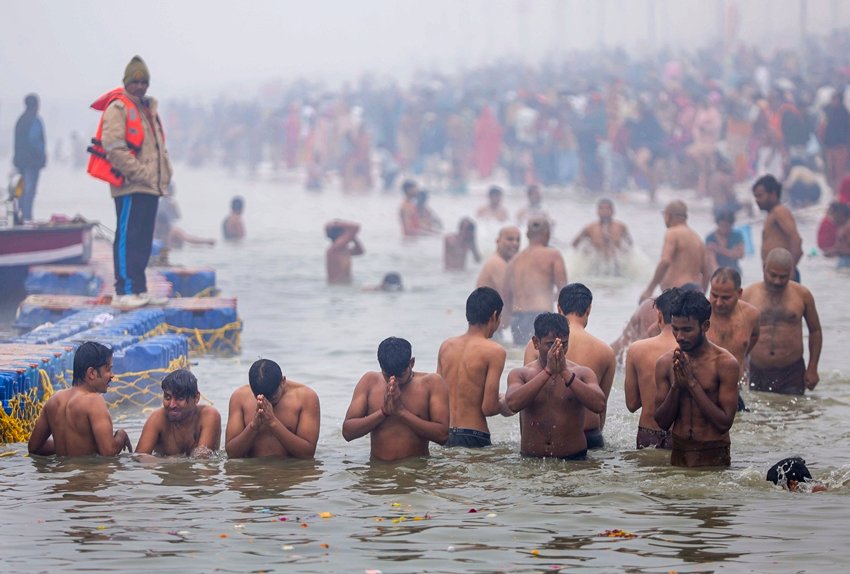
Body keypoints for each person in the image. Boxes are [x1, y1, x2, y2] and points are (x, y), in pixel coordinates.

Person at [89, 56, 172, 309]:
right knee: (127, 236)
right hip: (129, 185)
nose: (139, 86)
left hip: (151, 187)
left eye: (143, 81)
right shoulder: (119, 108)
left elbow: (159, 149)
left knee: (144, 239)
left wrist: (164, 175)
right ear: (126, 82)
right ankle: (124, 290)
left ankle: (139, 289)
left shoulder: (149, 109)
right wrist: (138, 172)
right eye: (135, 81)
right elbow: (114, 148)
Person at [523, 284, 615, 449]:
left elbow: (527, 398)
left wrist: (525, 438)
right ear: (589, 309)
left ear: (559, 308)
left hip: (544, 438)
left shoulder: (535, 345)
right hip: (590, 434)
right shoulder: (605, 351)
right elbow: (601, 405)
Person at [654, 291, 739, 468]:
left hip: (713, 455)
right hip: (679, 454)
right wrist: (677, 386)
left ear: (705, 326)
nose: (679, 337)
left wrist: (692, 383)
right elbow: (662, 423)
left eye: (687, 330)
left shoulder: (725, 363)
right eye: (675, 329)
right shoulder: (665, 363)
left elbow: (724, 423)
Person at [505, 313, 605, 460]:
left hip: (574, 460)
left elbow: (599, 404)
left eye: (563, 344)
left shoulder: (582, 373)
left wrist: (565, 372)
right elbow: (513, 403)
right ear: (536, 343)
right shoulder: (521, 374)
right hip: (531, 460)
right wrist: (548, 372)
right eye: (550, 344)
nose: (558, 350)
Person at [342, 337, 449, 461]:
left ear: (412, 362)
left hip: (416, 473)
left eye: (400, 376)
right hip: (378, 471)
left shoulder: (431, 383)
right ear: (380, 366)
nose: (394, 381)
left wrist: (402, 412)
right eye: (388, 376)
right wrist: (383, 412)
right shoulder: (369, 382)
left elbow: (443, 435)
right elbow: (348, 432)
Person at [437, 287, 512, 448]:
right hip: (474, 435)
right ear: (494, 316)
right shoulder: (495, 351)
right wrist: (506, 403)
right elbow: (488, 407)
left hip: (444, 434)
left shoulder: (446, 346)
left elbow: (438, 396)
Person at [28, 342, 132, 456]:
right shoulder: (94, 401)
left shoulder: (54, 400)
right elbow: (109, 452)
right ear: (91, 373)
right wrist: (121, 435)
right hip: (87, 473)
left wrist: (66, 446)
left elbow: (34, 448)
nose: (112, 375)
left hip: (59, 472)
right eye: (108, 369)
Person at [742, 248, 822, 395]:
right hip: (757, 370)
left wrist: (813, 367)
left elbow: (815, 331)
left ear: (791, 272)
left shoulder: (803, 295)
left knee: (794, 416)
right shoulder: (747, 295)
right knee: (758, 416)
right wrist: (740, 365)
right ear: (764, 267)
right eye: (772, 275)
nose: (777, 281)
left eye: (783, 276)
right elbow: (734, 331)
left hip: (791, 371)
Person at [225, 358, 320, 459]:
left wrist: (273, 423)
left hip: (291, 471)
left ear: (283, 382)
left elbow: (307, 454)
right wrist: (253, 426)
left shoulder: (305, 397)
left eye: (273, 398)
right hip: (251, 472)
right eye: (258, 397)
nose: (267, 402)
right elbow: (232, 454)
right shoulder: (239, 397)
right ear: (252, 389)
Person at [623, 288, 680, 449]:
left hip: (648, 434)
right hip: (680, 435)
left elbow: (632, 404)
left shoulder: (637, 349)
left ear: (659, 316)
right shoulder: (691, 349)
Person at [503, 217, 568, 345]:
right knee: (542, 361)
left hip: (517, 318)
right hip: (541, 316)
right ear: (547, 234)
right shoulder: (553, 255)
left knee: (523, 358)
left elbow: (505, 295)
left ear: (527, 235)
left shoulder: (514, 260)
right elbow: (563, 290)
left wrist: (506, 320)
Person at [135, 369, 221, 457]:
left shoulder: (208, 416)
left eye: (180, 398)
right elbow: (139, 458)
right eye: (167, 398)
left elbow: (203, 461)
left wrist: (171, 462)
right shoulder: (157, 418)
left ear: (196, 398)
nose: (172, 405)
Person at [640, 200, 710, 302]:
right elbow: (706, 273)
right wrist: (702, 296)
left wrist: (649, 289)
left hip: (678, 291)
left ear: (669, 215)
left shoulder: (672, 232)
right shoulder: (697, 238)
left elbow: (665, 261)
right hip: (696, 291)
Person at [706, 267, 761, 382]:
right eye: (714, 295)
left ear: (739, 293)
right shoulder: (700, 313)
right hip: (704, 388)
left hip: (735, 388)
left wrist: (743, 354)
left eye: (726, 298)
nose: (719, 303)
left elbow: (755, 335)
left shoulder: (751, 315)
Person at [752, 174, 803, 281]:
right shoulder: (772, 214)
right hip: (775, 277)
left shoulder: (779, 211)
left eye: (760, 196)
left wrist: (790, 269)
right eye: (755, 196)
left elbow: (796, 239)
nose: (757, 200)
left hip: (783, 277)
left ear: (773, 194)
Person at [571, 198, 633, 273]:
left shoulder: (621, 227)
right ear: (597, 211)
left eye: (608, 209)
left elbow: (630, 244)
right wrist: (585, 253)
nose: (605, 211)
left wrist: (624, 255)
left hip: (616, 265)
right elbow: (575, 244)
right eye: (601, 209)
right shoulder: (590, 228)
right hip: (596, 266)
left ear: (613, 211)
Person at [13, 93, 46, 222]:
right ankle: (27, 217)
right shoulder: (35, 120)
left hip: (20, 162)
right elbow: (34, 140)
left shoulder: (20, 120)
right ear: (36, 105)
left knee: (21, 190)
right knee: (29, 191)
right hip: (32, 163)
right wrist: (42, 155)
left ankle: (21, 216)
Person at [705, 209, 745, 275]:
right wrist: (719, 274)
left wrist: (719, 249)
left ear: (731, 225)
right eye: (722, 225)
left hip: (735, 271)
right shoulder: (710, 238)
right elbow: (711, 261)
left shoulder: (737, 236)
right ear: (717, 224)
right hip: (717, 273)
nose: (724, 229)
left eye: (727, 226)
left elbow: (740, 255)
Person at [325, 219, 365, 284]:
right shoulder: (335, 249)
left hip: (343, 286)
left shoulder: (342, 251)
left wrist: (353, 237)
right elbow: (355, 226)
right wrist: (337, 224)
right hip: (338, 286)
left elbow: (360, 251)